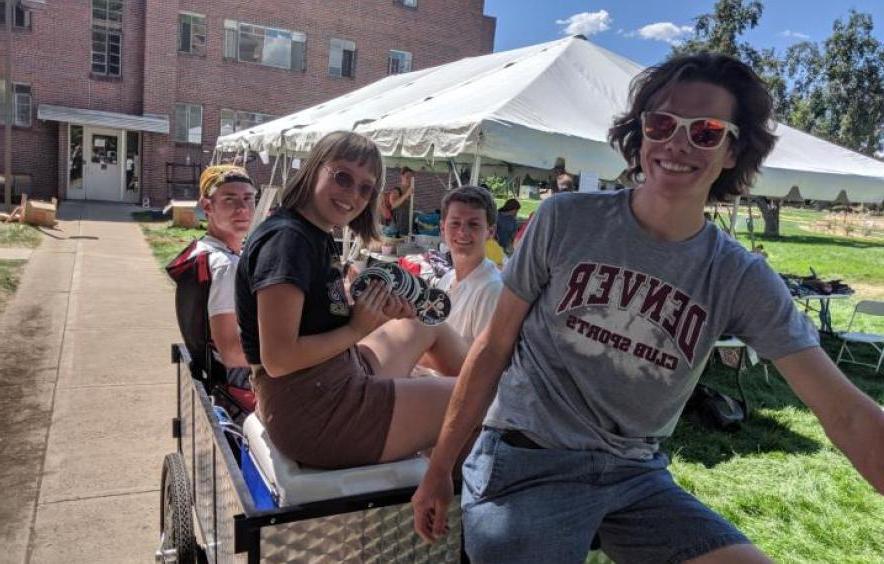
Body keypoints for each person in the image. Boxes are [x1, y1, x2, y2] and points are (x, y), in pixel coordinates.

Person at [412, 52, 884, 563]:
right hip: (529, 460)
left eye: (705, 131)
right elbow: (494, 345)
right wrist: (441, 466)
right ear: (641, 135)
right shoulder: (565, 220)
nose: (677, 143)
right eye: (661, 124)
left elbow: (843, 411)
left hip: (635, 475)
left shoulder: (738, 276)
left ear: (732, 151)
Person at [235, 131, 469, 469]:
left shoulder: (311, 233)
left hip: (335, 376)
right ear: (315, 168)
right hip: (315, 412)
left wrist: (377, 313)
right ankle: (460, 491)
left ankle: (476, 389)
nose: (353, 195)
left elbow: (314, 315)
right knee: (476, 399)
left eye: (365, 188)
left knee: (423, 324)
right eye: (342, 178)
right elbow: (279, 358)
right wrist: (358, 328)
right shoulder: (288, 241)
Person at [166, 165, 256, 406]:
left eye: (248, 198)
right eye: (230, 199)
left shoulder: (202, 249)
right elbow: (232, 352)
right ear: (207, 207)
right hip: (237, 387)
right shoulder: (226, 265)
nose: (243, 209)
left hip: (211, 374)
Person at [437, 186, 503, 344]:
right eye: (455, 223)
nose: (462, 232)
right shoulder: (447, 279)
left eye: (473, 224)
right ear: (442, 228)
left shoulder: (491, 290)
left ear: (490, 232)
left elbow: (485, 364)